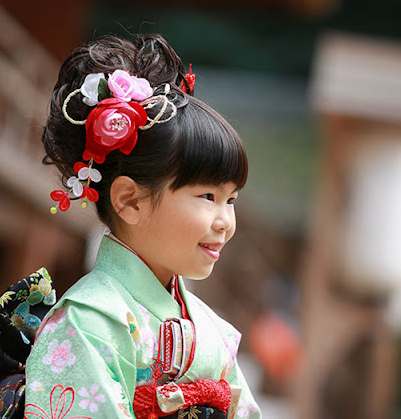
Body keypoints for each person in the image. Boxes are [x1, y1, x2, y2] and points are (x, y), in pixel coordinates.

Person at [22, 34, 262, 419]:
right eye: (207, 197)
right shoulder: (88, 323)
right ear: (129, 200)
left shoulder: (212, 333)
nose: (226, 223)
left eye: (230, 200)